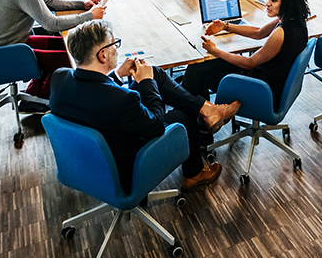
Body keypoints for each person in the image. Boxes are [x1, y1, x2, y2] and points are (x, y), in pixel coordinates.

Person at [49, 19, 241, 193]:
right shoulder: (122, 99)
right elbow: (156, 125)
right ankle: (194, 173)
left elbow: (93, 94)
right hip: (123, 169)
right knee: (182, 116)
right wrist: (147, 83)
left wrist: (117, 75)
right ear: (103, 55)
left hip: (81, 161)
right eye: (113, 43)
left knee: (155, 72)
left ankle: (208, 110)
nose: (116, 48)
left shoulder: (59, 78)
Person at [182, 0, 309, 107]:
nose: (267, 4)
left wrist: (215, 51)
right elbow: (259, 33)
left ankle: (195, 115)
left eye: (273, 0)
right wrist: (225, 26)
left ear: (287, 3)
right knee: (198, 67)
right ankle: (200, 116)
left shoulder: (281, 33)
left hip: (261, 89)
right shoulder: (295, 21)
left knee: (199, 72)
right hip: (270, 81)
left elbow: (250, 63)